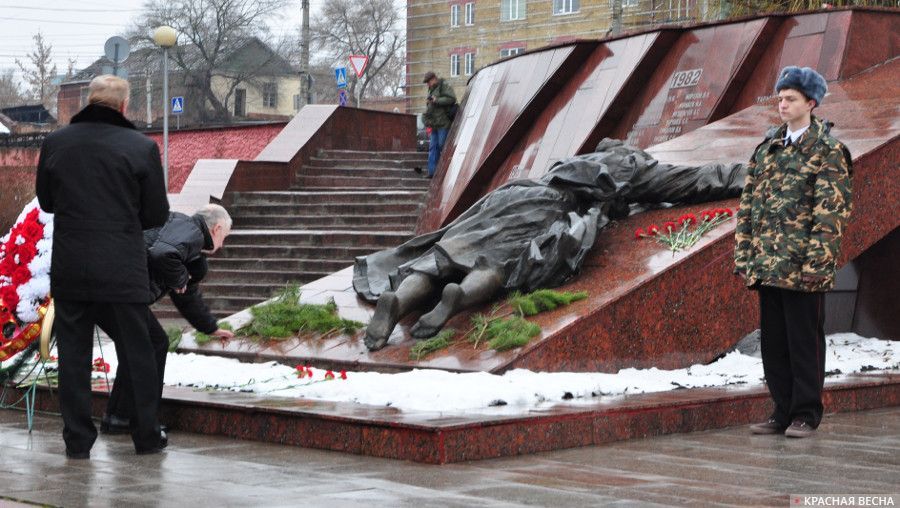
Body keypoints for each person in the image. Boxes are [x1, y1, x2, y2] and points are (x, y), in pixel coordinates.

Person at [355, 139, 747, 350]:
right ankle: (460, 296)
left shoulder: (577, 158)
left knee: (442, 256)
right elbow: (698, 182)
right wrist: (756, 173)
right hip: (549, 209)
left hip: (512, 195)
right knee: (503, 265)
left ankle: (400, 301)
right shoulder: (633, 168)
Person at [35, 75, 170, 458]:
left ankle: (77, 442)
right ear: (124, 106)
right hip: (121, 267)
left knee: (74, 357)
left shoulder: (56, 142)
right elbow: (156, 213)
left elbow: (46, 202)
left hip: (72, 265)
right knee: (138, 350)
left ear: (88, 101)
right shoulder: (141, 147)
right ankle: (146, 436)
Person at [734, 66, 852, 439]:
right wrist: (745, 255)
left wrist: (817, 264)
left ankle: (805, 412)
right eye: (780, 98)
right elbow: (748, 206)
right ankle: (781, 410)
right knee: (775, 343)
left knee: (804, 342)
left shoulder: (828, 150)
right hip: (769, 265)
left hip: (804, 267)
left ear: (811, 103)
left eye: (790, 99)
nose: (782, 105)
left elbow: (830, 212)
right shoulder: (767, 149)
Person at [100, 204, 235, 435]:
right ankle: (143, 423)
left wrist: (210, 328)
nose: (222, 244)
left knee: (138, 346)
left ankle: (119, 417)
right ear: (216, 228)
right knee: (155, 343)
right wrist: (180, 278)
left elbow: (187, 296)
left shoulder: (188, 243)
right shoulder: (190, 230)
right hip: (120, 289)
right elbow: (161, 254)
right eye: (225, 236)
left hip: (111, 286)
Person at [422, 71, 457, 178]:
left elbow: (452, 99)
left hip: (443, 123)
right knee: (433, 148)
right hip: (434, 124)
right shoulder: (431, 90)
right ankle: (432, 173)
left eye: (428, 82)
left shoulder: (443, 85)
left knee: (443, 146)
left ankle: (448, 171)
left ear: (433, 79)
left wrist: (437, 100)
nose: (428, 84)